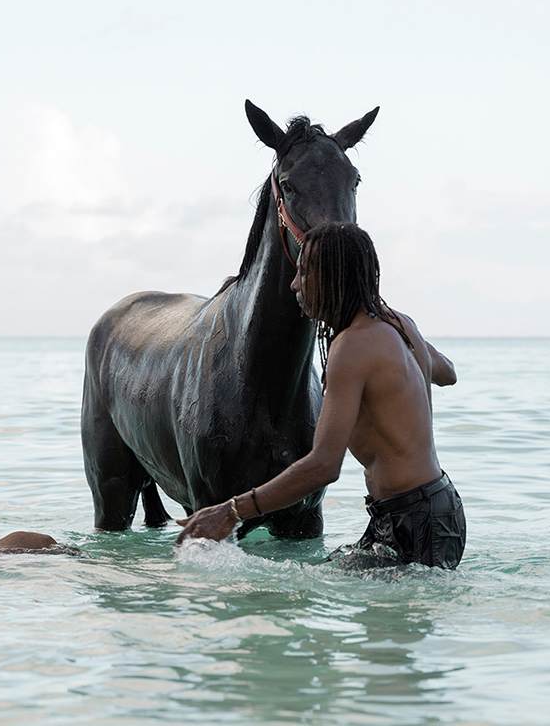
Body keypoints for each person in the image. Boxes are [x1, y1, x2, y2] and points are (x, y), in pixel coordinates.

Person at [175, 223, 465, 569]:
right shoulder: (399, 325)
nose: (295, 285)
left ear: (332, 277)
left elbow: (323, 466)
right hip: (433, 508)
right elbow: (448, 373)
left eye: (304, 273)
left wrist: (232, 510)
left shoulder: (353, 345)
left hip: (413, 520)